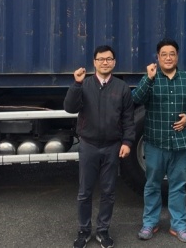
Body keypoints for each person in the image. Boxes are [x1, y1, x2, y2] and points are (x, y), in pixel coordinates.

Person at [133, 38, 186, 243]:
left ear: (177, 56)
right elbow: (136, 99)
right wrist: (148, 79)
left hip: (180, 143)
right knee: (152, 185)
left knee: (178, 186)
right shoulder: (151, 78)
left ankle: (179, 225)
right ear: (157, 57)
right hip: (155, 142)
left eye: (172, 54)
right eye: (163, 54)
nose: (168, 58)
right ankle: (150, 223)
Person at [64, 45, 135, 248]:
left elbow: (128, 119)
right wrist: (76, 84)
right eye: (101, 59)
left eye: (109, 59)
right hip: (89, 145)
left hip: (112, 146)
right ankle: (84, 231)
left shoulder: (122, 88)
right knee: (84, 192)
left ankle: (103, 231)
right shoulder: (84, 84)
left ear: (114, 62)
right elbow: (69, 108)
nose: (105, 62)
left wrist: (127, 142)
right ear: (94, 62)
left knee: (108, 191)